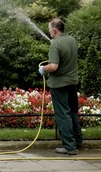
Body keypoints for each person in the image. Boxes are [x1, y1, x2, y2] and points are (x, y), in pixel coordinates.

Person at [38, 18, 83, 155]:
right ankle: (78, 140)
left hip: (59, 85)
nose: (48, 31)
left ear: (54, 30)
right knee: (73, 111)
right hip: (72, 82)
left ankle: (69, 146)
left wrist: (43, 69)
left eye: (49, 28)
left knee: (63, 114)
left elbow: (53, 66)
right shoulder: (71, 40)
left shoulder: (56, 44)